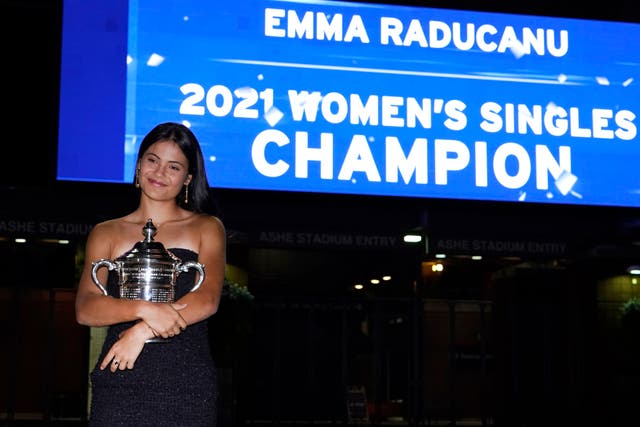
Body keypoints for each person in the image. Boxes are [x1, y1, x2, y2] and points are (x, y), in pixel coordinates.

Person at [75, 122, 226, 426]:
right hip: (120, 376)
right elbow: (86, 308)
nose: (159, 173)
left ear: (188, 178)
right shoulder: (106, 232)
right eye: (153, 160)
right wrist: (145, 310)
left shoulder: (207, 227)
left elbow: (207, 299)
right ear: (139, 164)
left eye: (174, 166)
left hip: (185, 383)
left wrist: (141, 331)